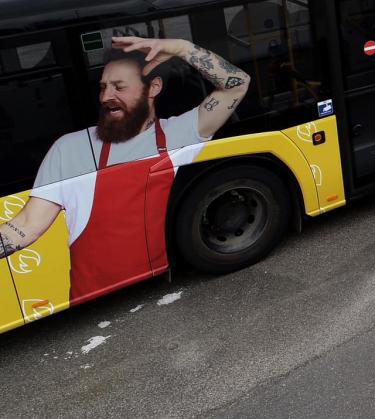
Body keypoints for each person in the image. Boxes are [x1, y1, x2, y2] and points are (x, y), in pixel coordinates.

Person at [0, 37, 249, 305]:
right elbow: (27, 225)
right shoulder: (71, 149)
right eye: (104, 87)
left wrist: (180, 48)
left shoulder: (180, 132)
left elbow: (237, 84)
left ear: (153, 87)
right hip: (92, 304)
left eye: (119, 87)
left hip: (160, 291)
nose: (107, 97)